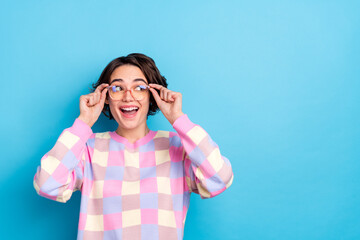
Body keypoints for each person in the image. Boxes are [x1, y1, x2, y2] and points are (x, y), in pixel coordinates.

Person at [33, 53, 234, 240]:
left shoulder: (178, 147)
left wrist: (179, 119)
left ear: (152, 95)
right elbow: (47, 184)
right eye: (117, 88)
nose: (128, 97)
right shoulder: (88, 148)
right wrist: (83, 123)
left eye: (139, 87)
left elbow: (219, 178)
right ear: (106, 97)